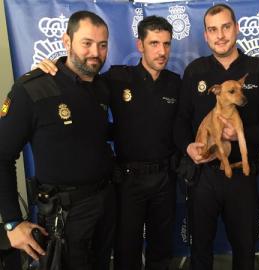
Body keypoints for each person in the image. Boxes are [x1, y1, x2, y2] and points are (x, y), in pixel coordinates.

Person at [38, 15, 181, 270]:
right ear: (140, 45)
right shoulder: (116, 79)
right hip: (127, 182)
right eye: (154, 43)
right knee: (127, 250)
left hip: (164, 179)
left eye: (167, 44)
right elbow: (81, 82)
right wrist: (51, 69)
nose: (162, 51)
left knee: (162, 248)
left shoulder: (175, 83)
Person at [0, 11, 115, 270]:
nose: (95, 52)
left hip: (106, 202)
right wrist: (12, 223)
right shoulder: (32, 89)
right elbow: (2, 156)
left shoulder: (102, 86)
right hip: (65, 215)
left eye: (102, 44)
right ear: (66, 41)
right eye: (87, 43)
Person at [174, 4, 259, 270]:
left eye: (225, 27)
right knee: (200, 246)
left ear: (237, 28)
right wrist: (188, 146)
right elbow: (180, 121)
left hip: (243, 176)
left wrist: (240, 135)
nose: (220, 35)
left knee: (245, 247)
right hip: (204, 175)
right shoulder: (195, 72)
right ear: (206, 35)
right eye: (213, 29)